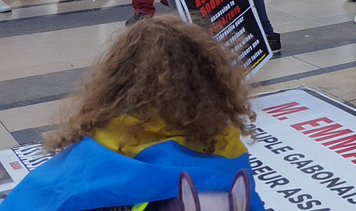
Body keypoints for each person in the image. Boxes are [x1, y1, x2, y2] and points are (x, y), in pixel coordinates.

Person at [3, 17, 265, 210]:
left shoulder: (96, 153)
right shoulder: (227, 149)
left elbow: (38, 199)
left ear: (116, 83)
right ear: (209, 82)